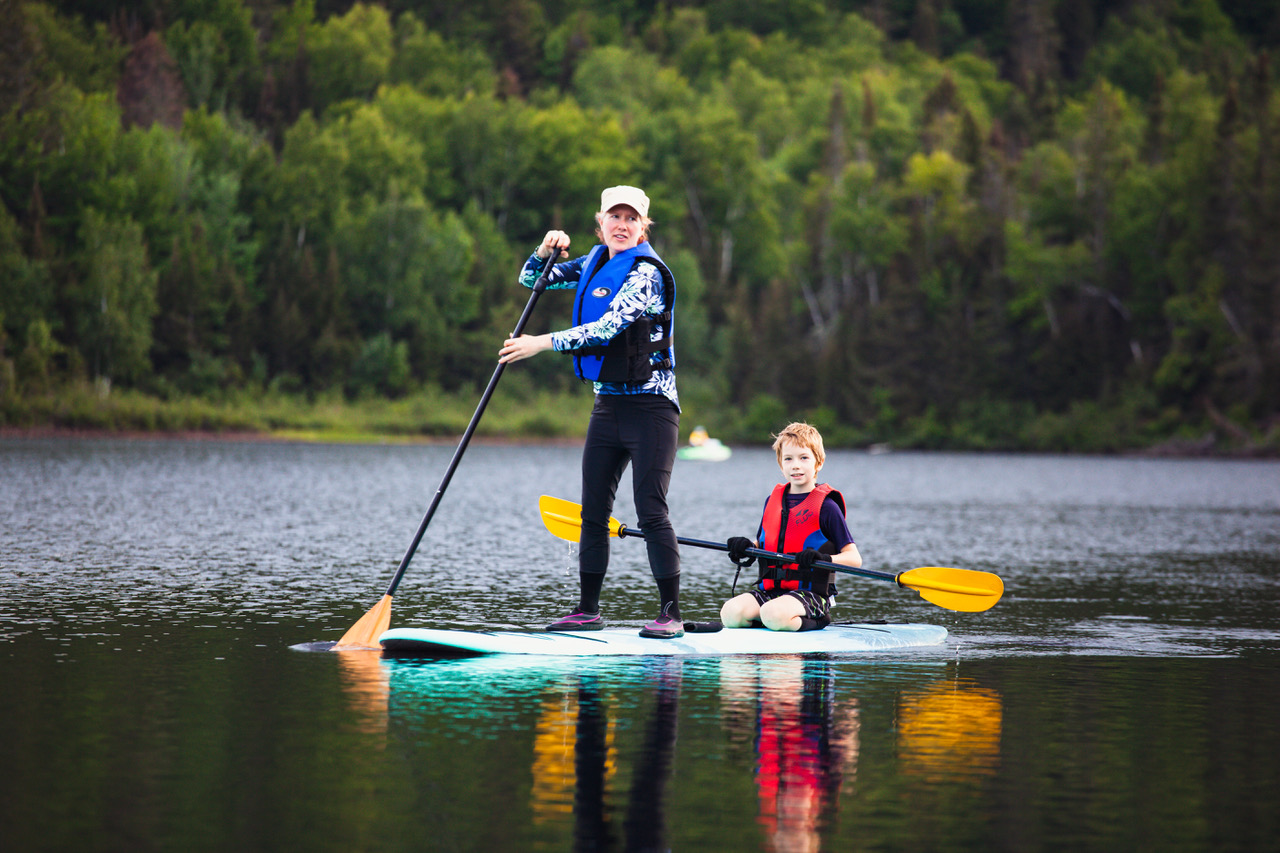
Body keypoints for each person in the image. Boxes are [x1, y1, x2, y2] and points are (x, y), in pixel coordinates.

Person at [498, 185, 684, 639]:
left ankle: (671, 613)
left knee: (650, 510)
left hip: (652, 409)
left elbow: (606, 329)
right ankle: (587, 610)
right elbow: (531, 281)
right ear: (600, 222)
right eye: (614, 217)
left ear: (644, 227)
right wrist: (543, 251)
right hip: (608, 406)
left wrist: (539, 343)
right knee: (593, 512)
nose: (622, 225)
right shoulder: (594, 261)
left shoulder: (647, 274)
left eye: (631, 219)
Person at [720, 422, 862, 632]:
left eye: (804, 458)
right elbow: (764, 542)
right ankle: (772, 620)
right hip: (772, 594)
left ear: (819, 462)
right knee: (730, 613)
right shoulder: (772, 501)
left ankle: (817, 620)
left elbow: (854, 559)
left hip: (811, 596)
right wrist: (745, 546)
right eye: (788, 459)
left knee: (773, 614)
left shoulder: (827, 507)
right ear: (781, 464)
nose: (796, 465)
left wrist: (822, 559)